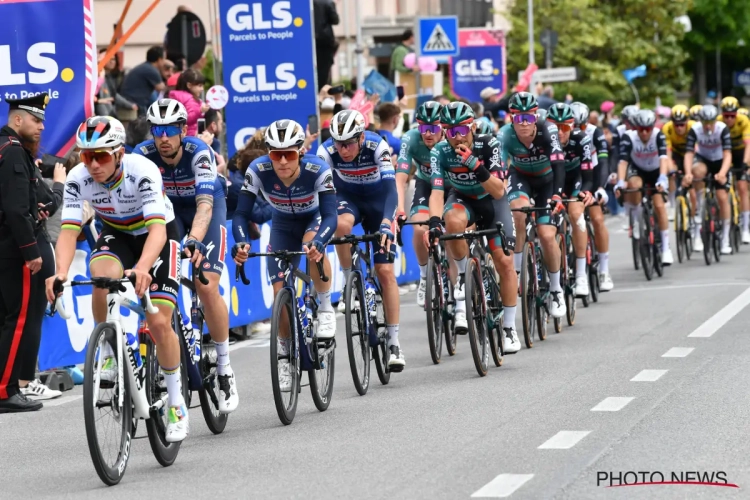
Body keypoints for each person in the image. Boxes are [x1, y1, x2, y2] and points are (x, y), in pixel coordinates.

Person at [46, 116, 189, 441]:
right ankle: (110, 352)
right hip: (117, 233)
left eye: (101, 156)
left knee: (159, 323)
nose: (92, 164)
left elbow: (157, 231)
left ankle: (176, 402)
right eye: (86, 156)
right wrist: (61, 273)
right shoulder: (77, 178)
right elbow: (68, 231)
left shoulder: (142, 172)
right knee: (101, 276)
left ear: (119, 153)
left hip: (159, 235)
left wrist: (142, 267)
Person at [136, 98, 238, 413]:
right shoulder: (142, 155)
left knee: (207, 286)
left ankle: (224, 365)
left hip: (205, 207)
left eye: (169, 130)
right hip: (167, 214)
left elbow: (205, 205)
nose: (163, 137)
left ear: (182, 129)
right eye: (157, 130)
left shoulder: (199, 154)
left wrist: (193, 240)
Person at [232, 120, 337, 390]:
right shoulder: (258, 169)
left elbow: (330, 215)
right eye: (275, 154)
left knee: (313, 245)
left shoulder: (317, 169)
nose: (281, 161)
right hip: (281, 225)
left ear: (300, 152)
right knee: (281, 291)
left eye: (288, 154)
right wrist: (242, 242)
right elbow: (242, 215)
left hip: (313, 219)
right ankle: (285, 356)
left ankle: (324, 306)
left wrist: (321, 241)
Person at [426, 102, 520, 353]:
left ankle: (509, 327)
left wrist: (475, 166)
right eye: (450, 131)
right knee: (451, 223)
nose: (456, 138)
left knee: (504, 261)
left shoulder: (488, 144)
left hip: (492, 201)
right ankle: (465, 275)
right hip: (463, 199)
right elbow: (436, 192)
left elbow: (499, 190)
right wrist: (435, 221)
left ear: (473, 127)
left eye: (462, 130)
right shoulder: (439, 152)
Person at [317, 110, 405, 370]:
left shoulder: (378, 146)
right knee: (341, 225)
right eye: (338, 143)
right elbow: (322, 196)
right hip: (349, 200)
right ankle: (349, 279)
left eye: (349, 143)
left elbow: (391, 191)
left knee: (385, 272)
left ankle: (395, 343)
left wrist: (388, 223)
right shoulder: (326, 152)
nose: (343, 150)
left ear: (362, 137)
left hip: (379, 203)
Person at [0, 94, 49, 413]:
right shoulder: (15, 152)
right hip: (13, 249)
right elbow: (16, 210)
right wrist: (31, 251)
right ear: (18, 119)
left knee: (5, 318)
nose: (42, 126)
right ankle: (7, 390)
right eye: (36, 120)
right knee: (17, 319)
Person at [501, 92, 567, 319]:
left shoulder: (548, 130)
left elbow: (559, 164)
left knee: (547, 235)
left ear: (535, 117)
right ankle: (517, 271)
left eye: (528, 118)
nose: (523, 124)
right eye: (518, 119)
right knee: (517, 213)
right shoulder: (504, 135)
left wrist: (558, 196)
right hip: (522, 179)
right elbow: (499, 169)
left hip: (548, 182)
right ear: (512, 119)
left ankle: (556, 289)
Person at [395, 101, 443, 306]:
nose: (428, 134)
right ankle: (424, 277)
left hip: (452, 184)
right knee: (418, 228)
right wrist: (400, 209)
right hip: (426, 183)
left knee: (453, 235)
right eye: (424, 128)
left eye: (433, 128)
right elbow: (401, 177)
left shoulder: (450, 139)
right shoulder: (411, 139)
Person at [546, 103, 596, 297]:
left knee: (576, 214)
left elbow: (588, 175)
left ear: (572, 127)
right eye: (554, 127)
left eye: (565, 128)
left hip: (574, 181)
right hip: (551, 182)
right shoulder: (544, 140)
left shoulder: (581, 139)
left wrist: (586, 192)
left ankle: (581, 274)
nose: (559, 132)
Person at [615, 109, 673, 264]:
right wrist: (621, 181)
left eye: (648, 129)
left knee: (659, 206)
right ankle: (637, 216)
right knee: (633, 185)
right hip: (638, 169)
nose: (645, 133)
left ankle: (666, 248)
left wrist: (662, 178)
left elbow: (663, 158)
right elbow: (623, 162)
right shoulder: (629, 137)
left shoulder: (658, 135)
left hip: (655, 171)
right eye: (642, 129)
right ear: (636, 128)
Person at [570, 102, 614, 291]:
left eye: (581, 126)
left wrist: (601, 188)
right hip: (573, 174)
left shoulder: (595, 132)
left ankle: (604, 270)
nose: (577, 130)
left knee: (597, 218)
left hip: (593, 173)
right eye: (574, 125)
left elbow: (603, 162)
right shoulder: (561, 133)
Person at [683, 104, 733, 255]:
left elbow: (728, 154)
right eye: (705, 122)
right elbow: (689, 154)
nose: (708, 126)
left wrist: (723, 173)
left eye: (711, 122)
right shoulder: (695, 129)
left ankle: (725, 238)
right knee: (696, 171)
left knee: (722, 197)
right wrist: (688, 173)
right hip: (704, 159)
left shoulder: (722, 128)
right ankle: (699, 205)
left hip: (719, 161)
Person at [718, 96, 750, 243]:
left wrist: (745, 163)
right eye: (726, 116)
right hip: (724, 154)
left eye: (732, 116)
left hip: (740, 154)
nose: (729, 119)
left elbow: (748, 144)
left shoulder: (743, 120)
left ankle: (745, 228)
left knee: (742, 187)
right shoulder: (718, 122)